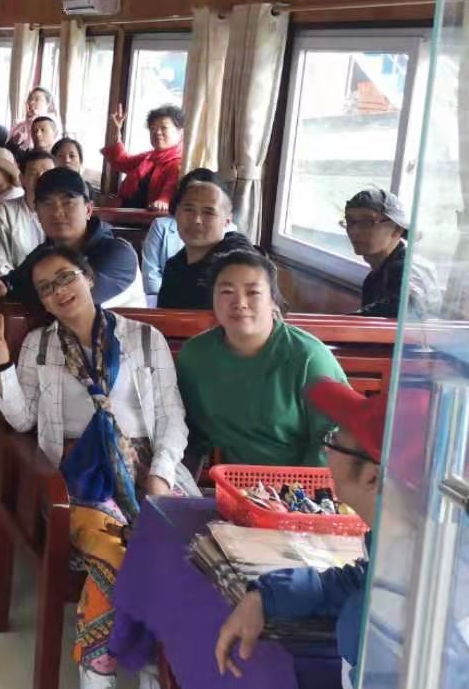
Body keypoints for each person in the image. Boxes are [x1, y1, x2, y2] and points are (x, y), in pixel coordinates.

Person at [0, 244, 188, 689]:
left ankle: (154, 666)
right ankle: (100, 666)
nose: (59, 292)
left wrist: (160, 477)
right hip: (78, 478)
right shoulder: (39, 346)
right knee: (115, 553)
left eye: (66, 277)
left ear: (89, 278)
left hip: (148, 467)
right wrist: (2, 367)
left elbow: (172, 417)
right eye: (46, 288)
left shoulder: (144, 338)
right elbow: (23, 420)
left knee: (176, 551)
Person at [214, 379, 426, 689]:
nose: (326, 448)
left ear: (373, 476)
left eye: (334, 439)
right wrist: (266, 596)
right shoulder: (413, 546)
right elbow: (361, 579)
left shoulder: (393, 616)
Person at [176, 248, 344, 468]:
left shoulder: (308, 358)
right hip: (234, 481)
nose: (240, 303)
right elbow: (189, 432)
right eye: (227, 291)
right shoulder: (195, 356)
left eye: (253, 292)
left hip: (303, 483)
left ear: (273, 301)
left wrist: (299, 487)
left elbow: (334, 440)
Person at [0, 167, 144, 309]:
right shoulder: (45, 253)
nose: (57, 212)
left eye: (67, 203)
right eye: (47, 204)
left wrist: (14, 291)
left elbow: (72, 296)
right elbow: (12, 283)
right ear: (37, 213)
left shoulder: (118, 253)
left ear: (88, 210)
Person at [156, 170, 251, 310]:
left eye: (208, 212)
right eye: (189, 209)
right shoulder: (174, 266)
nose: (197, 220)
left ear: (227, 221)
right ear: (176, 213)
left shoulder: (236, 257)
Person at [342, 188, 434, 318]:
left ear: (397, 229)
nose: (354, 231)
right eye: (350, 221)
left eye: (367, 222)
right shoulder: (373, 279)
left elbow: (407, 309)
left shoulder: (407, 270)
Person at [103, 103, 183, 211]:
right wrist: (116, 130)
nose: (157, 132)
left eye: (164, 128)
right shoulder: (150, 156)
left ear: (180, 132)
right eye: (153, 129)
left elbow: (170, 187)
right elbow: (121, 162)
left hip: (147, 218)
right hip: (125, 212)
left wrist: (163, 201)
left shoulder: (178, 163)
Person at [0, 149, 55, 275]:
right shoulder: (3, 215)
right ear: (22, 179)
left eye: (47, 172)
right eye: (33, 173)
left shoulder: (65, 214)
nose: (40, 178)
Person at [7, 87, 57, 151]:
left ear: (48, 104)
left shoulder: (51, 123)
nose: (31, 102)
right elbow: (7, 149)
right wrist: (14, 142)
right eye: (30, 99)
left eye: (37, 99)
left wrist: (33, 119)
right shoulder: (18, 125)